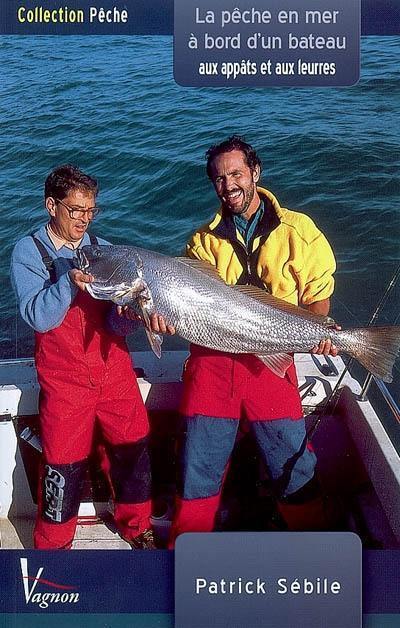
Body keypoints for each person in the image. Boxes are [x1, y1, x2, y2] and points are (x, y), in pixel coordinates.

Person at [169, 136, 338, 545]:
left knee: (292, 464)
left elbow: (318, 298)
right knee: (198, 469)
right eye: (219, 179)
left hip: (271, 362)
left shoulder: (300, 230)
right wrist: (161, 319)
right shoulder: (200, 242)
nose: (229, 185)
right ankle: (185, 552)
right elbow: (183, 310)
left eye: (236, 174)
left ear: (255, 173)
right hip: (212, 364)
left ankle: (315, 548)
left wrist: (316, 336)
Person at [10, 164, 173, 550]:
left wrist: (130, 316)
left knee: (133, 449)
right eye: (75, 210)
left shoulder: (100, 248)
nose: (84, 220)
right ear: (52, 205)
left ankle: (137, 527)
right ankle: (53, 546)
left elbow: (114, 324)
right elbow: (37, 315)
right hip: (64, 381)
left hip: (112, 370)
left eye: (90, 211)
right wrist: (68, 282)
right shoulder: (28, 252)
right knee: (62, 466)